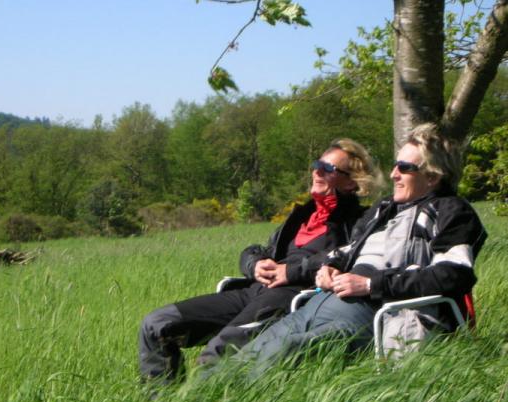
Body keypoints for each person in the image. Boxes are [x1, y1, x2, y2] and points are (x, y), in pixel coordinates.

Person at [235, 123, 488, 372]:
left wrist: (370, 284)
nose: (393, 174)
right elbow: (349, 249)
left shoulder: (451, 211)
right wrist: (331, 266)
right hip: (322, 301)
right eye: (394, 165)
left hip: (374, 310)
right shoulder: (385, 208)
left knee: (284, 351)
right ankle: (204, 401)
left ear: (432, 176)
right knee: (248, 351)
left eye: (404, 168)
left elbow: (454, 274)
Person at [138, 138, 383, 382]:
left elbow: (347, 256)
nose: (317, 171)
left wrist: (292, 272)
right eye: (316, 164)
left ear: (352, 182)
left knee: (214, 356)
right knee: (157, 324)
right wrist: (254, 264)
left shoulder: (358, 220)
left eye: (328, 169)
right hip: (254, 290)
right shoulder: (302, 215)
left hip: (292, 297)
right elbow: (257, 249)